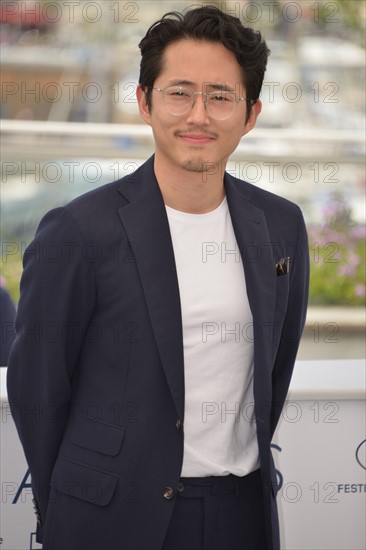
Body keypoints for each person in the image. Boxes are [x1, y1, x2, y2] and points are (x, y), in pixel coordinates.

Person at [7, 6, 309, 550]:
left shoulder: (281, 225)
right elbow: (38, 388)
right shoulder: (77, 231)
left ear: (251, 113)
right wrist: (70, 507)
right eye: (179, 93)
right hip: (108, 520)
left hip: (241, 515)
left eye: (220, 96)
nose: (199, 115)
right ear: (145, 102)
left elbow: (277, 364)